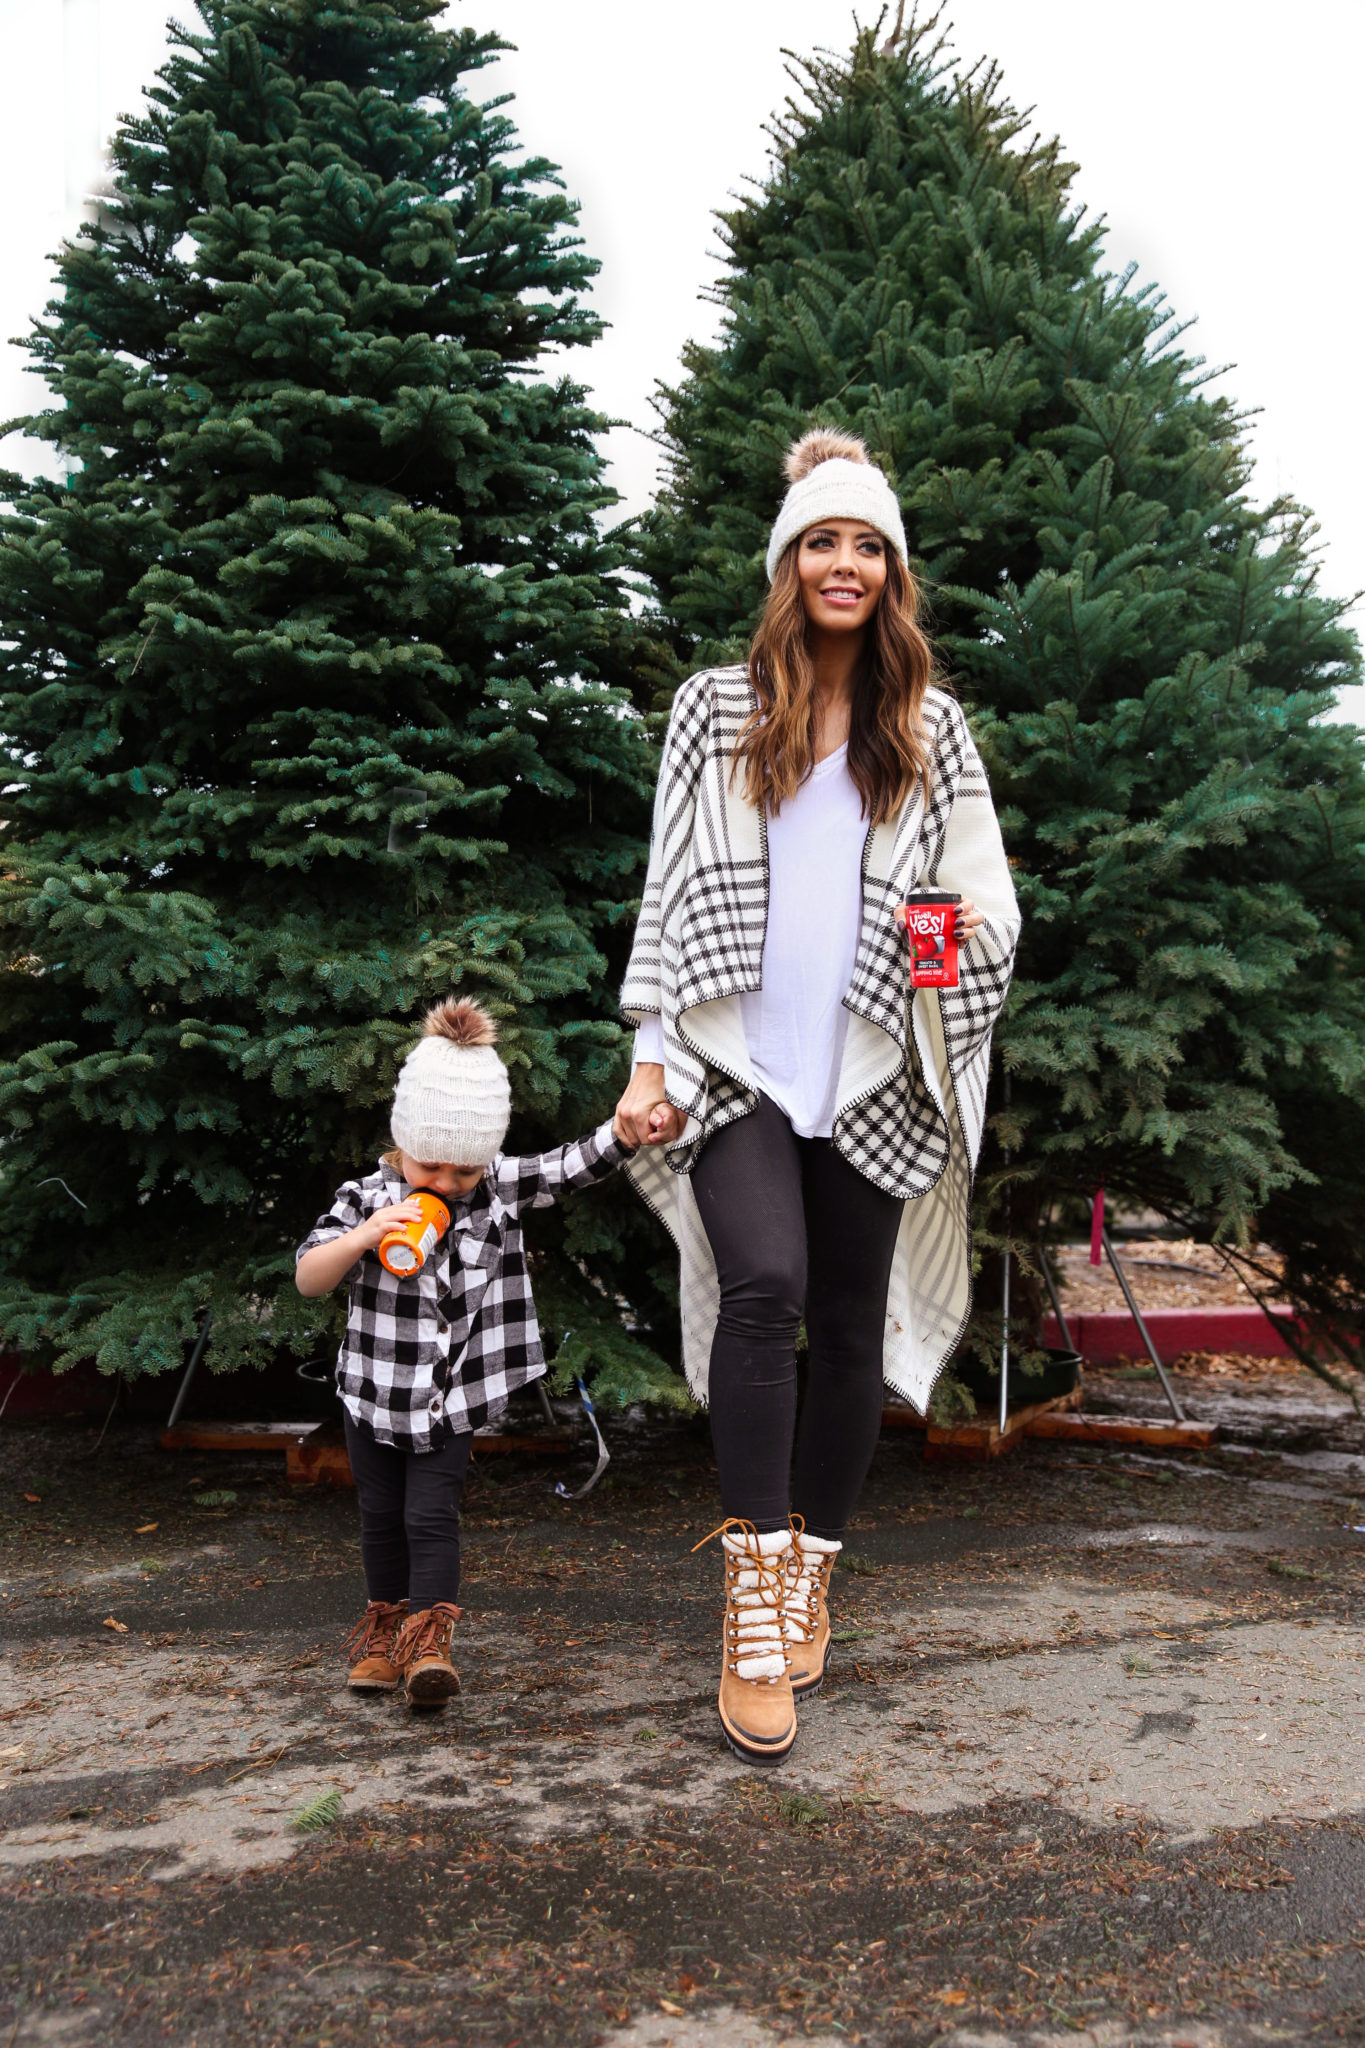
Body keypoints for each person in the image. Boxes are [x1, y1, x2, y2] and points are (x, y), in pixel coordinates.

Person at [614, 428, 1020, 1766]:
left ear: (890, 576)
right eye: (822, 542)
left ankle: (815, 1572)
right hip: (735, 1067)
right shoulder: (710, 708)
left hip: (870, 1070)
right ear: (787, 564)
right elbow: (669, 888)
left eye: (867, 546)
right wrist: (651, 1056)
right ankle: (752, 1605)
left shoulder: (931, 730)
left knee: (847, 1324)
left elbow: (980, 900)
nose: (843, 564)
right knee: (765, 1288)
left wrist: (925, 963)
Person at [296, 996, 634, 1707]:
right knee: (380, 1518)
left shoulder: (498, 1190)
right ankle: (385, 1633)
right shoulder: (364, 1198)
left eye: (464, 1173)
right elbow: (308, 1277)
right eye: (430, 1169)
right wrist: (362, 1238)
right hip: (372, 1396)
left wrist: (628, 1134)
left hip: (452, 1401)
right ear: (400, 1145)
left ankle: (428, 1645)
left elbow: (570, 1165)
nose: (445, 1185)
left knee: (431, 1517)